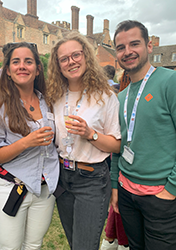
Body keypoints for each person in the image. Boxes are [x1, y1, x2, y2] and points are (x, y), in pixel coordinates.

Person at [46, 32, 121, 250]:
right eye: (64, 59)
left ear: (86, 56)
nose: (71, 61)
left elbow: (116, 145)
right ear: (58, 65)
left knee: (84, 246)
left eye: (76, 55)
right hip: (62, 177)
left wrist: (91, 134)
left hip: (91, 179)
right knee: (74, 244)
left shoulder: (105, 96)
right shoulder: (54, 95)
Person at [0, 42, 60, 250]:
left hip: (44, 190)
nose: (22, 66)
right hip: (11, 188)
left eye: (28, 61)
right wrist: (27, 142)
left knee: (34, 245)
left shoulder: (50, 102)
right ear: (7, 71)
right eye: (16, 62)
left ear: (37, 69)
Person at [111, 20, 176, 250]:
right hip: (127, 193)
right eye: (121, 47)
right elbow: (120, 145)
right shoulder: (121, 97)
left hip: (160, 195)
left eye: (134, 44)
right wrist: (115, 186)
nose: (127, 52)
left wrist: (171, 189)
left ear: (149, 46)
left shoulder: (170, 82)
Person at [100, 70, 131, 250]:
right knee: (117, 207)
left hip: (123, 164)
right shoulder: (118, 98)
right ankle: (114, 240)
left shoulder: (114, 97)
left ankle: (113, 240)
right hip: (119, 165)